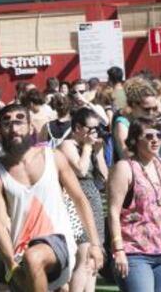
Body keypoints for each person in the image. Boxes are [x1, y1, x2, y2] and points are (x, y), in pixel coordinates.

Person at [0, 104, 103, 292]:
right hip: (20, 251)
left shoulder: (54, 157)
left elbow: (79, 199)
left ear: (31, 126)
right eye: (7, 122)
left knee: (34, 257)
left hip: (59, 241)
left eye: (19, 121)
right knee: (11, 277)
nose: (14, 128)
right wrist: (10, 265)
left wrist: (95, 245)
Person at [108, 117, 161, 292]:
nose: (155, 140)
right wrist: (119, 250)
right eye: (149, 136)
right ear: (135, 139)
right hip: (135, 252)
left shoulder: (160, 164)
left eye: (159, 135)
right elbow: (113, 212)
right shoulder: (125, 168)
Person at [59, 108, 108, 292]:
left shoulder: (90, 146)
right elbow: (80, 170)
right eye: (91, 128)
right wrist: (87, 148)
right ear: (78, 127)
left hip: (94, 201)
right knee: (84, 257)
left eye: (98, 129)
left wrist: (99, 152)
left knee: (95, 259)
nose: (95, 133)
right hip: (76, 204)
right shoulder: (67, 146)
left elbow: (104, 177)